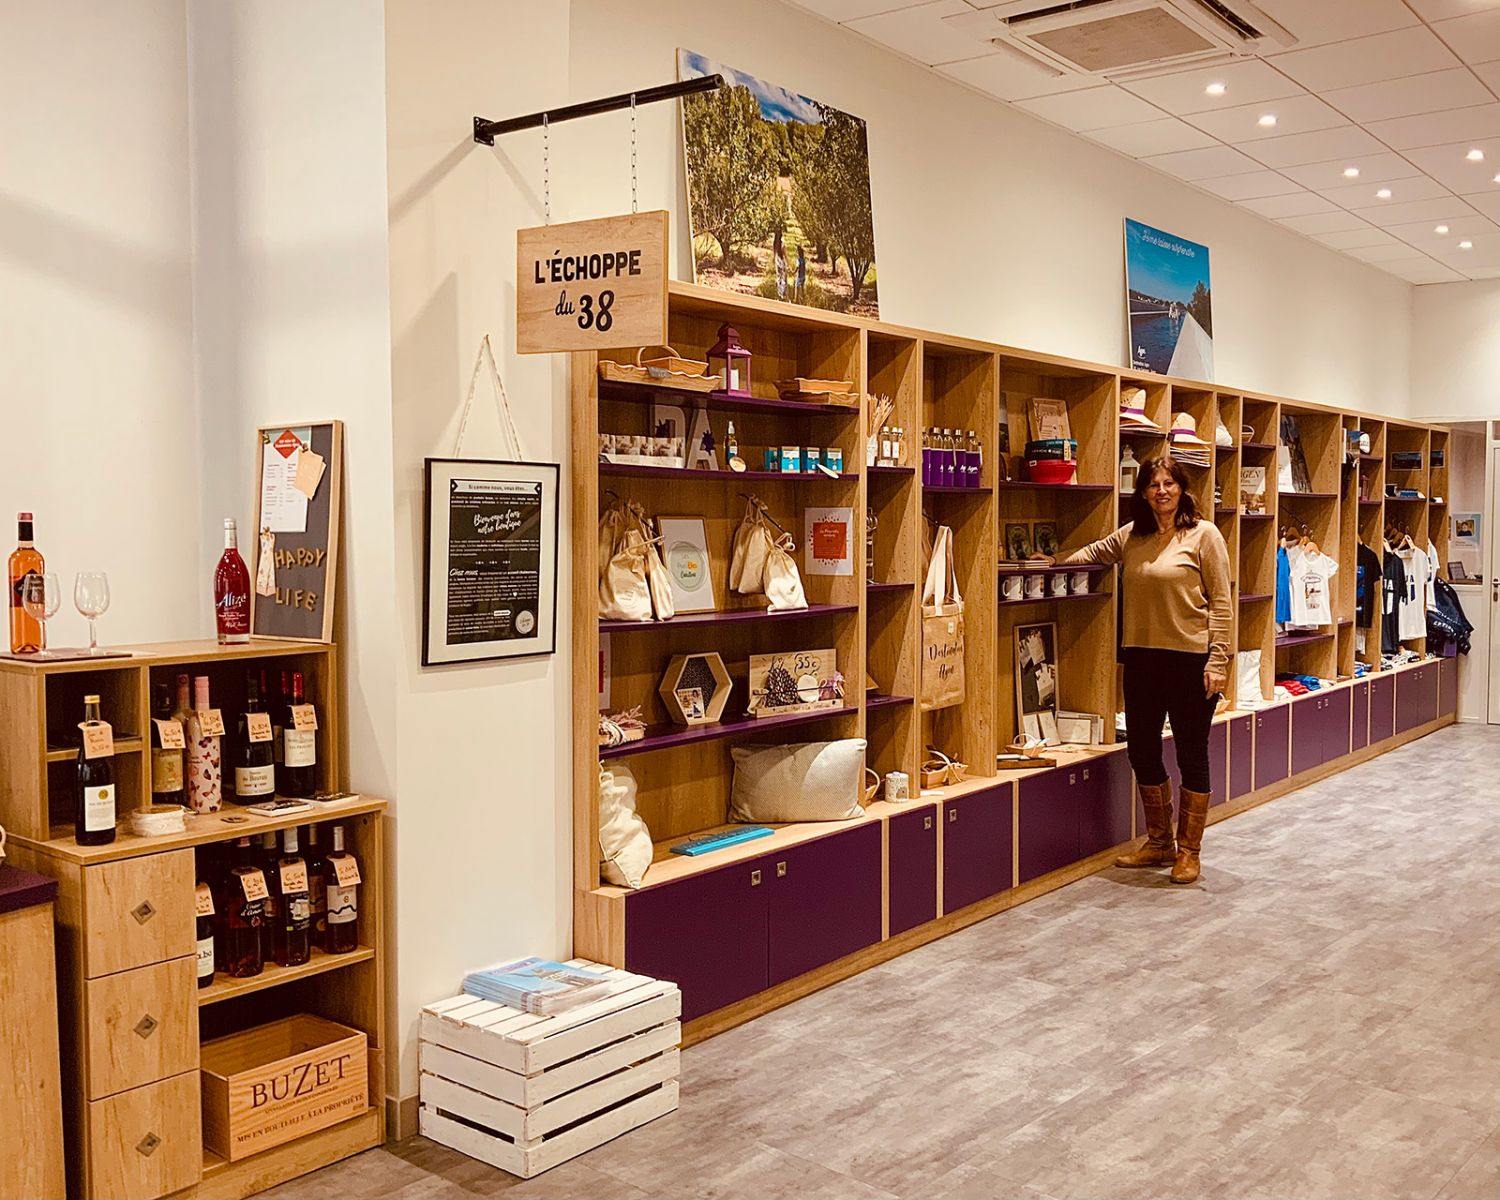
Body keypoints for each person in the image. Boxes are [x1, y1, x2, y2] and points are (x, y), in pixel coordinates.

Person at [1032, 456, 1231, 883]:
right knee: (1141, 750)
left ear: (1182, 488)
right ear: (1142, 492)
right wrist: (1052, 562)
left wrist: (1219, 660)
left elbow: (1221, 602)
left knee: (1191, 753)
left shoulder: (1204, 535)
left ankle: (1189, 851)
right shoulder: (1132, 535)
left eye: (1169, 483)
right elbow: (1095, 552)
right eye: (1153, 484)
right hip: (1140, 658)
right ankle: (1159, 843)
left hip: (1191, 661)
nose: (1162, 491)